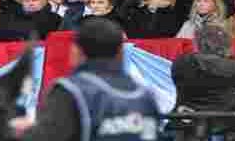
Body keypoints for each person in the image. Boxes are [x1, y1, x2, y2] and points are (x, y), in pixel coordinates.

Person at [24, 18, 160, 141]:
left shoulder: (70, 90)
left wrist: (25, 132)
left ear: (76, 51)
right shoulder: (145, 94)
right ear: (121, 51)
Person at [170, 24, 235, 139]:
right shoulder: (233, 65)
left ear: (198, 42)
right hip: (228, 123)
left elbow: (177, 79)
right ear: (226, 43)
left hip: (187, 121)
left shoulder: (181, 62)